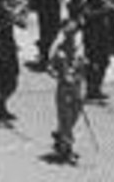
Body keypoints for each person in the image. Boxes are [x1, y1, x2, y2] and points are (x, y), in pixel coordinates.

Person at [49, 24, 88, 163]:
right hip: (64, 90)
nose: (73, 38)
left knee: (74, 117)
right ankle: (67, 148)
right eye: (70, 35)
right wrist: (62, 75)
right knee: (66, 119)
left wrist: (83, 66)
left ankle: (61, 137)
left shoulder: (78, 51)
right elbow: (51, 70)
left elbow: (83, 68)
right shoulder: (59, 53)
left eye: (74, 34)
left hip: (77, 89)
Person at [27, 0, 64, 68]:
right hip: (47, 13)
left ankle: (45, 58)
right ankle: (44, 57)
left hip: (51, 13)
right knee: (47, 35)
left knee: (48, 35)